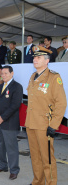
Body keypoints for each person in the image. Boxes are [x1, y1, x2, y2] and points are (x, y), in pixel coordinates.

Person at [25, 46, 67, 185]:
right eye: (34, 57)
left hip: (45, 125)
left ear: (47, 60)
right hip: (31, 123)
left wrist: (54, 125)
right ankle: (38, 181)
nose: (35, 60)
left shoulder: (54, 78)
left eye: (38, 57)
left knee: (47, 158)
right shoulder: (33, 76)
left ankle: (50, 183)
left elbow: (61, 103)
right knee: (35, 157)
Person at [0, 66, 23, 180]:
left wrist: (2, 118)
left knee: (11, 147)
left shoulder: (17, 87)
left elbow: (15, 105)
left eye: (5, 73)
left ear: (12, 73)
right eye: (2, 74)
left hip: (9, 122)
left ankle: (14, 170)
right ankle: (2, 165)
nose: (3, 75)